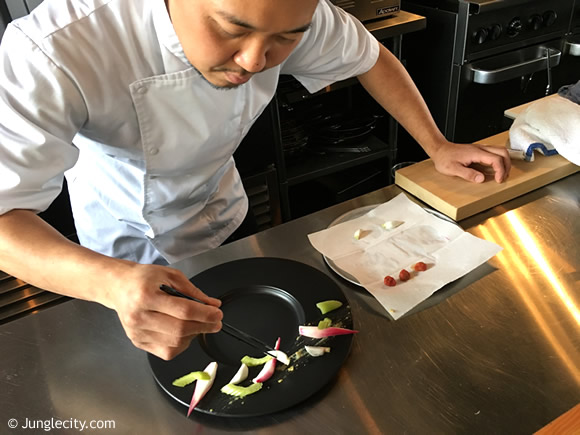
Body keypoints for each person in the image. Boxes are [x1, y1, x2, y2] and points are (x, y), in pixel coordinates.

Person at [0, 0, 510, 360]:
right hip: (121, 246)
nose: (254, 61)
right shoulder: (53, 47)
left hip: (221, 212)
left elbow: (369, 57)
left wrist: (437, 145)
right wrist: (109, 281)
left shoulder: (291, 11)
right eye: (230, 28)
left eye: (286, 39)